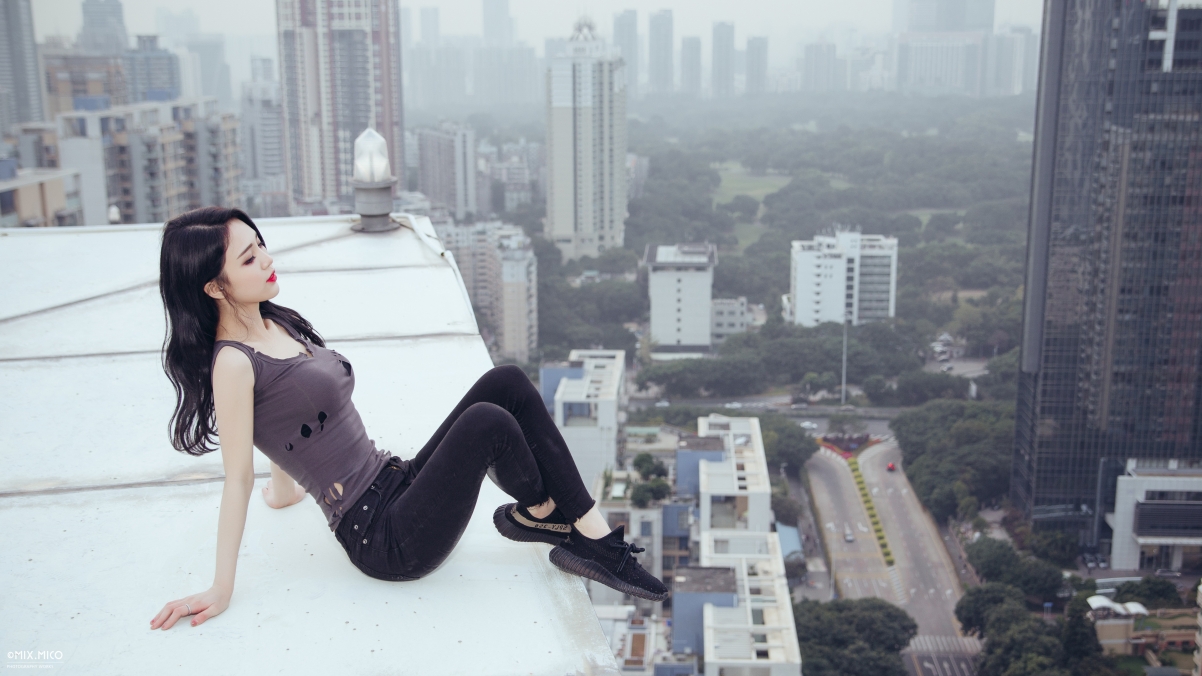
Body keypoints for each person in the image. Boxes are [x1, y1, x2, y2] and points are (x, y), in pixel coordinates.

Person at [149, 207, 666, 631]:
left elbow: (285, 419)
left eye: (261, 245)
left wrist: (284, 492)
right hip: (382, 537)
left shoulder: (274, 321)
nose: (266, 259)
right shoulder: (233, 363)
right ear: (214, 287)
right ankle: (579, 533)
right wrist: (220, 588)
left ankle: (561, 521)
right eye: (248, 257)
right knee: (487, 422)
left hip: (395, 479)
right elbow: (237, 478)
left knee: (506, 381)